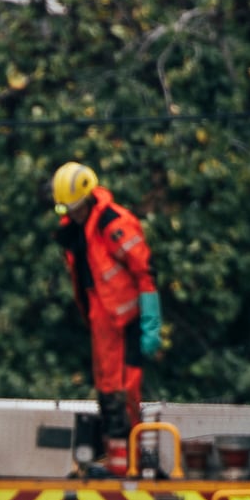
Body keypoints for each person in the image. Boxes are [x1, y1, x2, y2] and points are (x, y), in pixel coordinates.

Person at [52, 162, 160, 449]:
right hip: (101, 317)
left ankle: (128, 451)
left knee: (125, 388)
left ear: (88, 198)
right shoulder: (76, 229)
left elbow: (144, 271)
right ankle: (114, 451)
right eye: (65, 210)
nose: (71, 214)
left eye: (74, 208)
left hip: (126, 321)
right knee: (106, 387)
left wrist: (150, 319)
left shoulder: (113, 224)